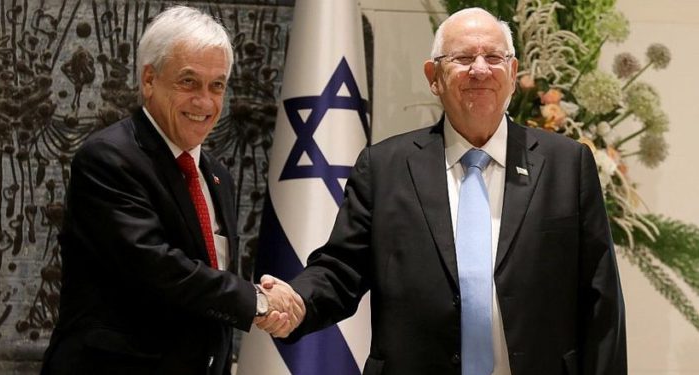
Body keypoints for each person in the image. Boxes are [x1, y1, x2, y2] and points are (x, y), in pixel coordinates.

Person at [256, 7, 627, 375]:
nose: (480, 69)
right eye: (463, 58)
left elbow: (601, 301)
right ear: (433, 76)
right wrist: (298, 300)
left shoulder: (568, 165)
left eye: (494, 58)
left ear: (513, 74)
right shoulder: (385, 168)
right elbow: (340, 270)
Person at [41, 6, 302, 375]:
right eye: (188, 82)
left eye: (217, 86)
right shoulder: (109, 159)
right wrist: (257, 301)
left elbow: (210, 289)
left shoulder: (216, 176)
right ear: (149, 80)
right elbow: (158, 268)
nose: (205, 102)